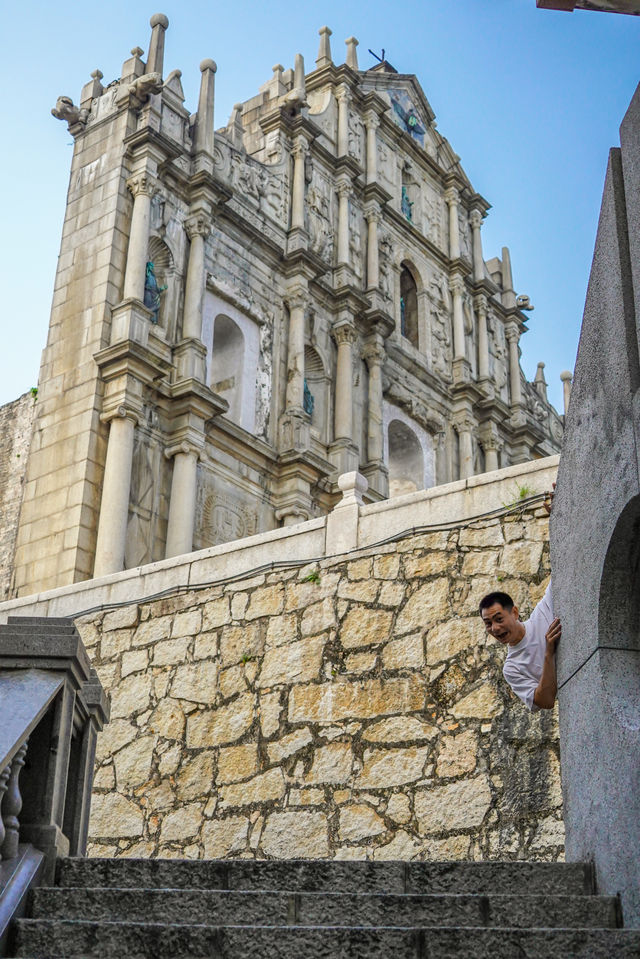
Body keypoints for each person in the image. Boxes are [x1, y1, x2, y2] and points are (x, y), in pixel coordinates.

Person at [478, 488, 561, 711]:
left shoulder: (543, 613)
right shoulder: (512, 667)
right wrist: (548, 652)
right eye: (488, 624)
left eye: (498, 618)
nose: (495, 628)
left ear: (514, 612)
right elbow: (545, 702)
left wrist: (561, 514)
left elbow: (564, 564)